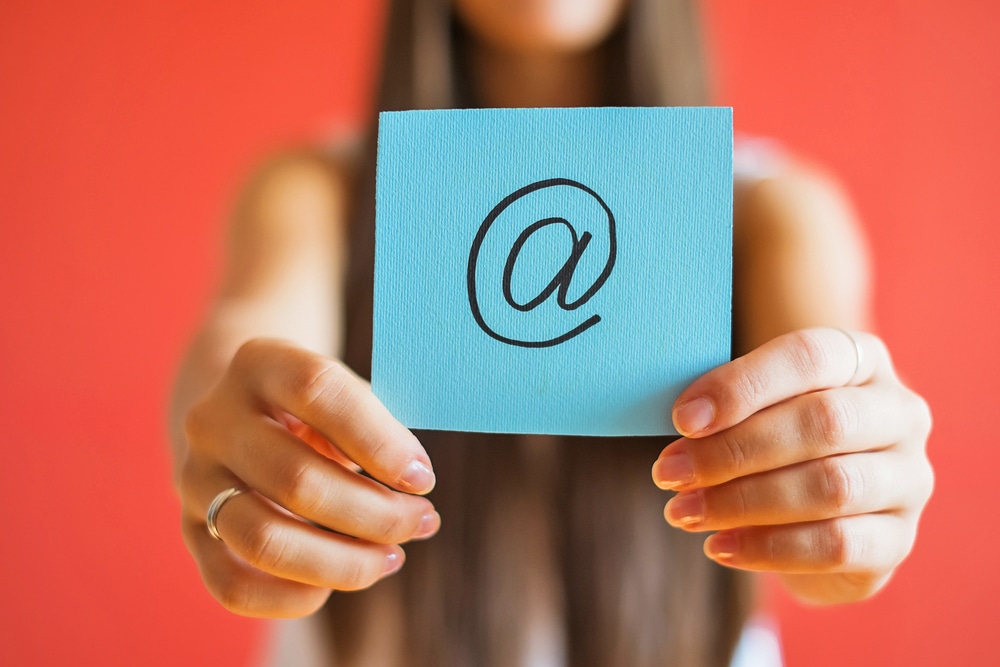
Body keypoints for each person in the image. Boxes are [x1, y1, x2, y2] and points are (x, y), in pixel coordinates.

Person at [168, 0, 934, 665]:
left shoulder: (773, 213)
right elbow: (244, 340)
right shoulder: (317, 193)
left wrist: (854, 499)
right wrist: (230, 446)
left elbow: (839, 429)